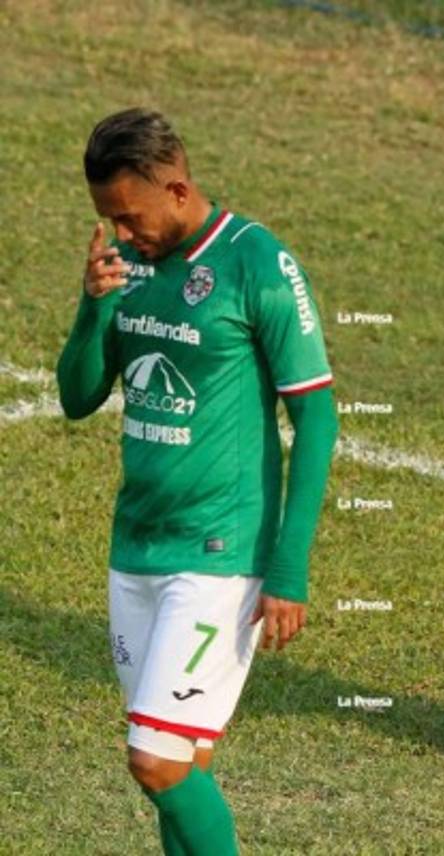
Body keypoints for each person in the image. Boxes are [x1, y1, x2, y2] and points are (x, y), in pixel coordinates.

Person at [57, 108, 338, 854]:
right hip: (136, 547)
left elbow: (316, 418)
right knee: (181, 762)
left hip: (219, 550)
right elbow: (78, 396)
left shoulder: (258, 263)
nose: (120, 233)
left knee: (153, 761)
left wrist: (288, 566)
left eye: (129, 215)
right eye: (108, 219)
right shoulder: (129, 265)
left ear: (177, 188)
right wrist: (94, 309)